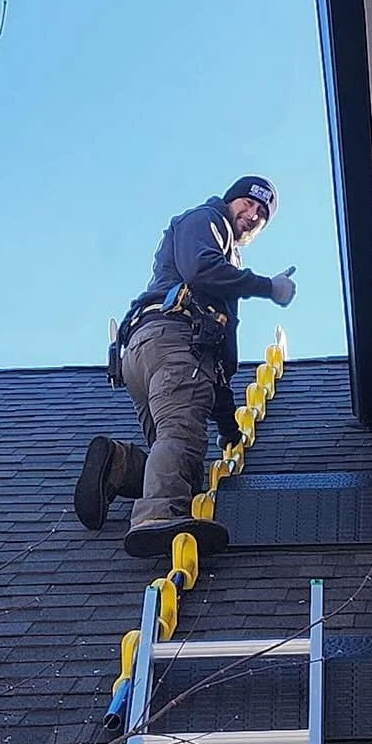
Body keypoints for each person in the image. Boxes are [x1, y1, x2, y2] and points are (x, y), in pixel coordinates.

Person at [73, 175, 296, 558]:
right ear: (231, 200)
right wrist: (267, 287)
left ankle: (119, 466)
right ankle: (156, 518)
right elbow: (201, 270)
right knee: (181, 437)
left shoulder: (223, 255)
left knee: (184, 468)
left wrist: (227, 425)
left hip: (148, 350)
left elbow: (217, 355)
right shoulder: (207, 221)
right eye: (248, 203)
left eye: (261, 214)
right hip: (175, 343)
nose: (252, 215)